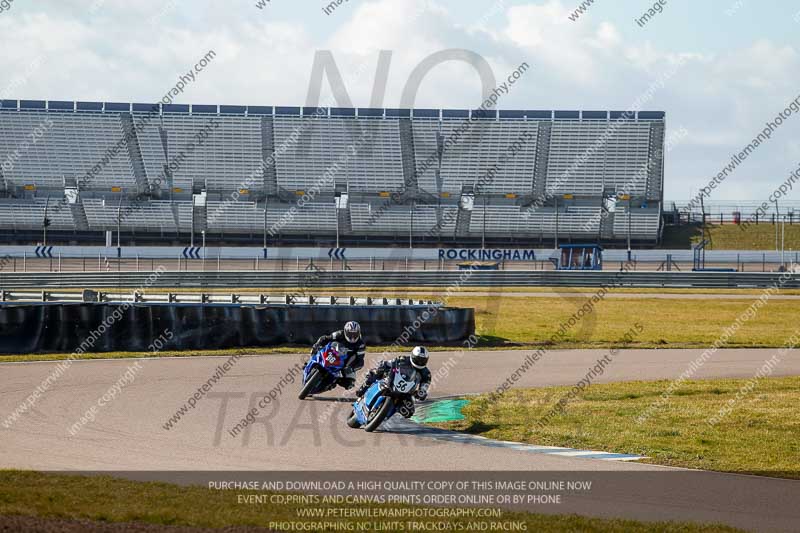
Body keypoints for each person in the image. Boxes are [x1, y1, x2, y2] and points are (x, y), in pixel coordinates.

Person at [355, 346, 431, 418]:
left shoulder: (426, 373)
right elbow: (390, 363)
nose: (420, 362)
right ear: (413, 356)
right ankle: (363, 389)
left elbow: (425, 385)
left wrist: (422, 392)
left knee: (409, 411)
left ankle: (386, 416)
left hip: (407, 392)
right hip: (392, 380)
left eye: (422, 360)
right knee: (375, 373)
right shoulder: (403, 359)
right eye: (418, 359)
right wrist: (383, 365)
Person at [311, 321, 365, 389]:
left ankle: (331, 383)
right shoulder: (339, 334)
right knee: (315, 351)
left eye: (355, 334)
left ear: (359, 333)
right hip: (332, 354)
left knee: (349, 384)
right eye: (350, 334)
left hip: (344, 364)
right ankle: (311, 361)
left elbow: (360, 361)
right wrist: (317, 345)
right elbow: (325, 338)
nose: (352, 337)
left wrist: (351, 368)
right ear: (345, 332)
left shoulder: (361, 344)